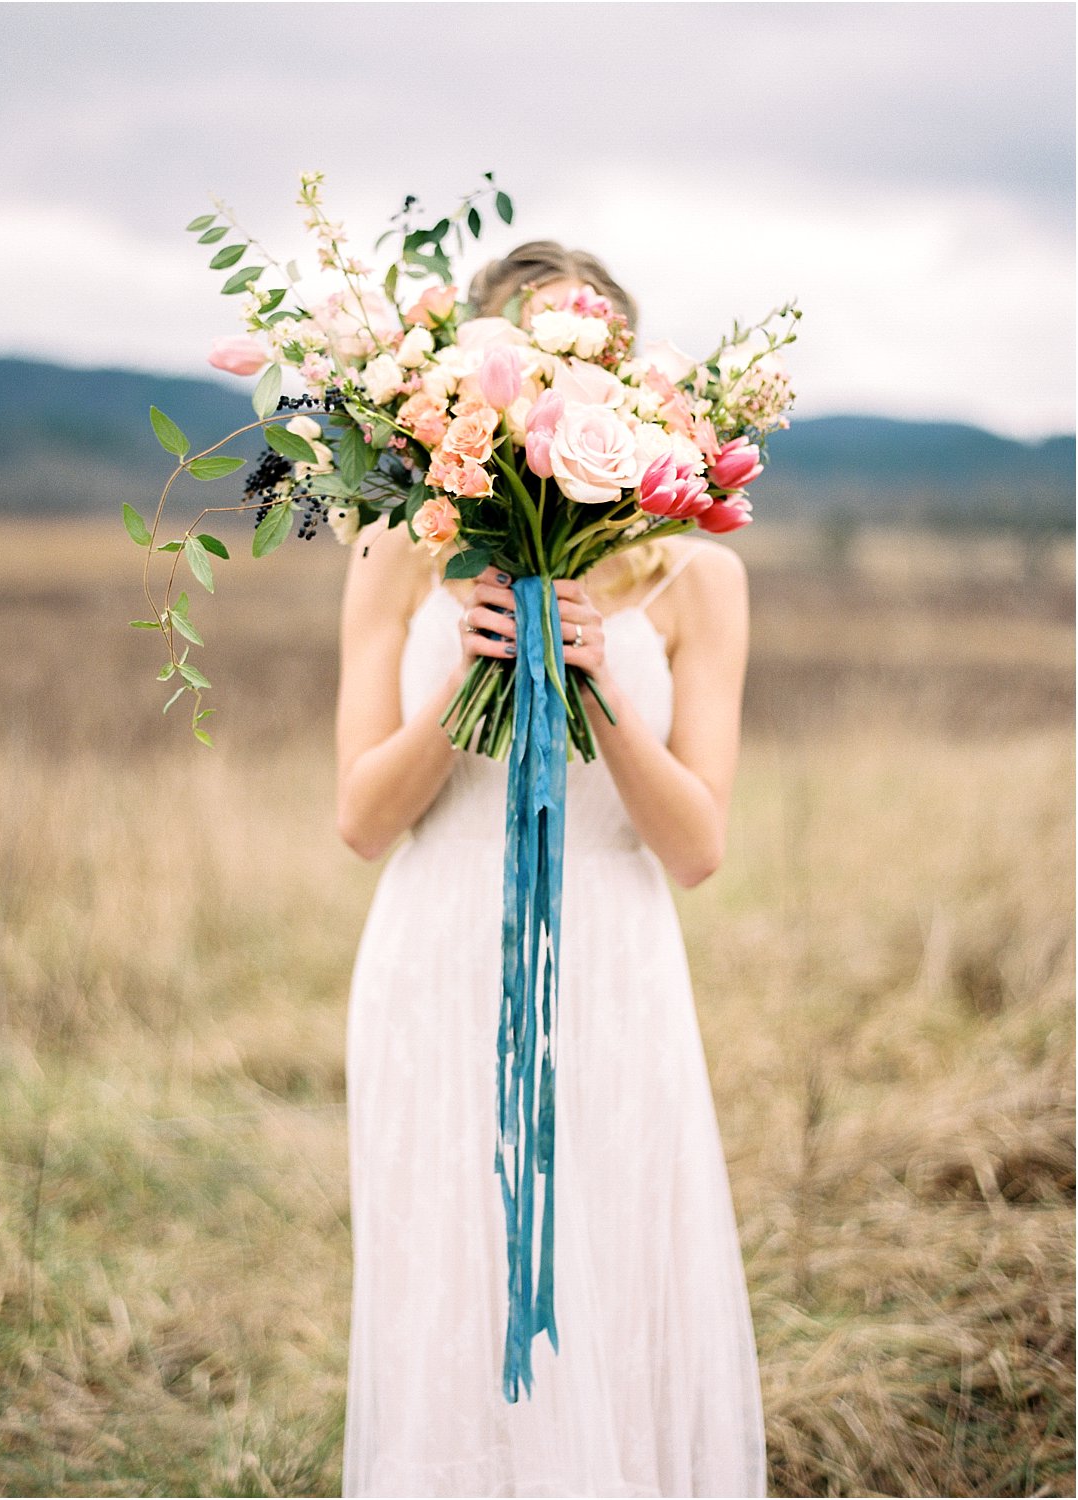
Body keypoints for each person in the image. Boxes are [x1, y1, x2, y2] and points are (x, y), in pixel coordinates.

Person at [336, 242, 767, 1498]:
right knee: (449, 1291)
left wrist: (589, 682)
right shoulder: (392, 554)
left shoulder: (702, 580)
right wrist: (471, 683)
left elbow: (695, 849)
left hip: (615, 965)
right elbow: (362, 821)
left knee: (615, 1275)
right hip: (438, 956)